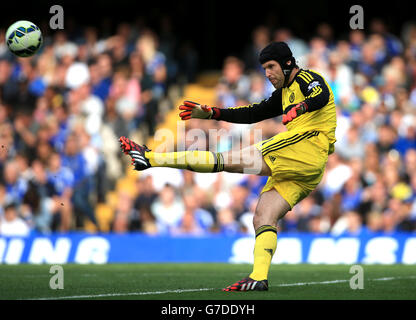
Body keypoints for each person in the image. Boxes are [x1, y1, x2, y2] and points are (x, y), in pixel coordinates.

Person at [119, 41, 337, 292]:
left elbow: (319, 96)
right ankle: (258, 277)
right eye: (264, 68)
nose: (267, 74)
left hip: (307, 147)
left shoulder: (308, 78)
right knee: (263, 215)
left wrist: (301, 107)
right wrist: (213, 113)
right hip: (307, 167)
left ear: (288, 63)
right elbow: (253, 113)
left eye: (271, 67)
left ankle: (152, 159)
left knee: (227, 161)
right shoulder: (284, 93)